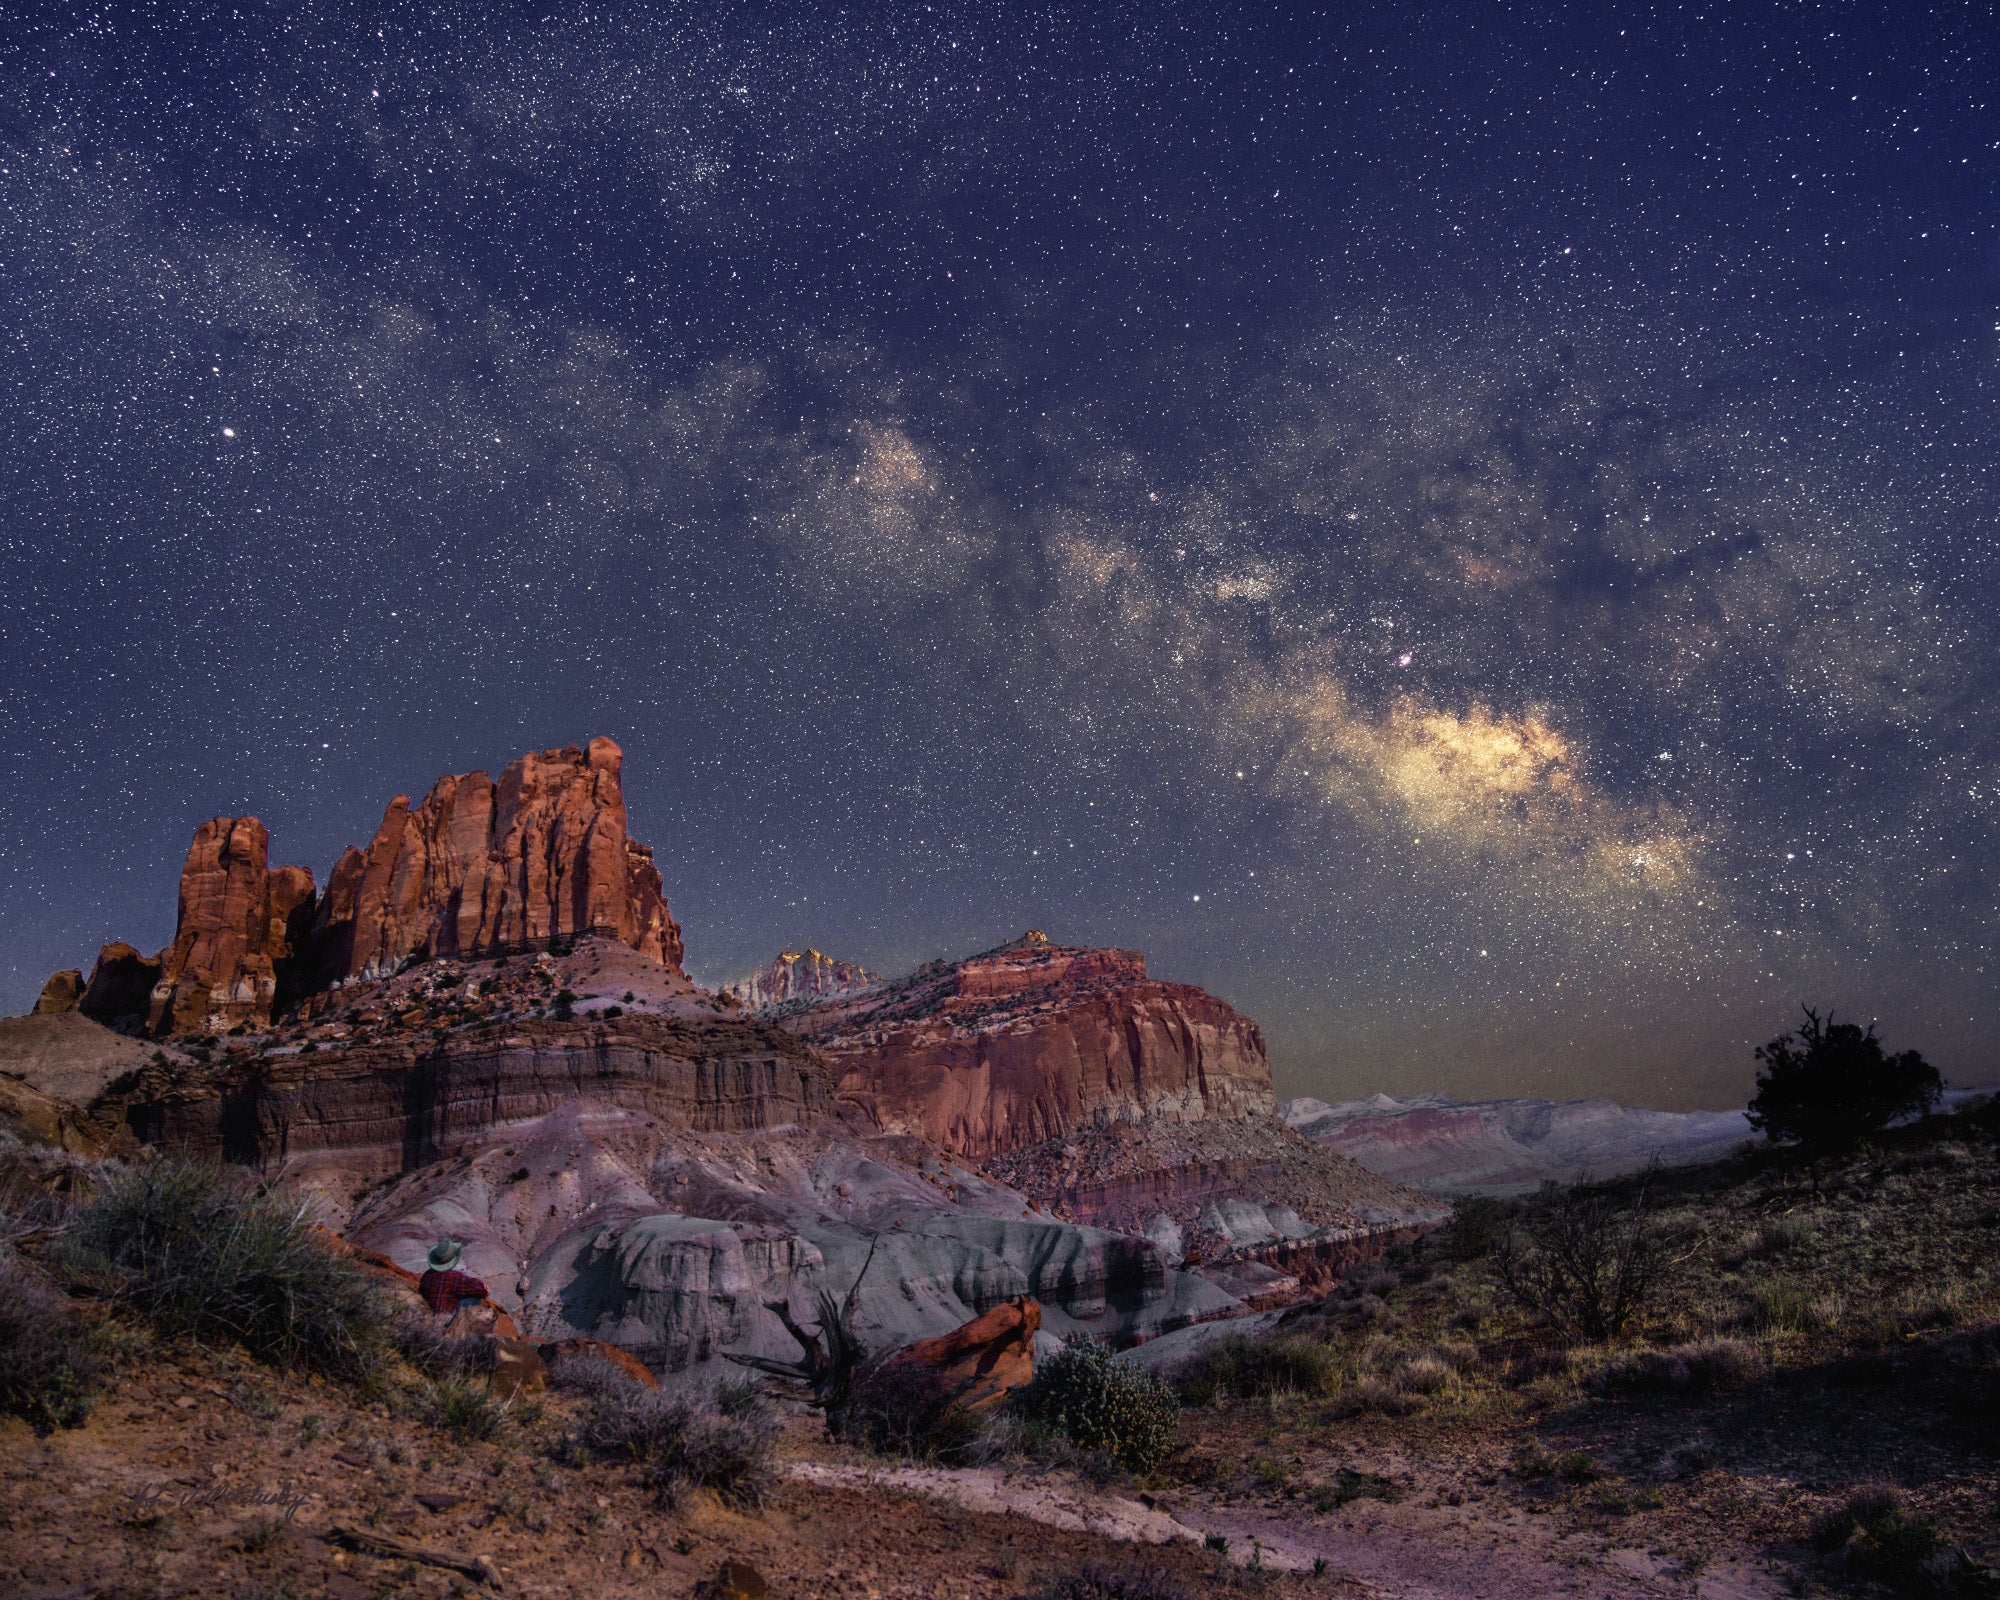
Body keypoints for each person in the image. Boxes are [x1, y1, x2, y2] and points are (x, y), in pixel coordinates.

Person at [418, 1239, 490, 1315]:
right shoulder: (454, 1277)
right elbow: (481, 1290)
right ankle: (461, 1324)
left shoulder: (428, 1274)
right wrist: (482, 1283)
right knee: (475, 1298)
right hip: (446, 1318)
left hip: (429, 1315)